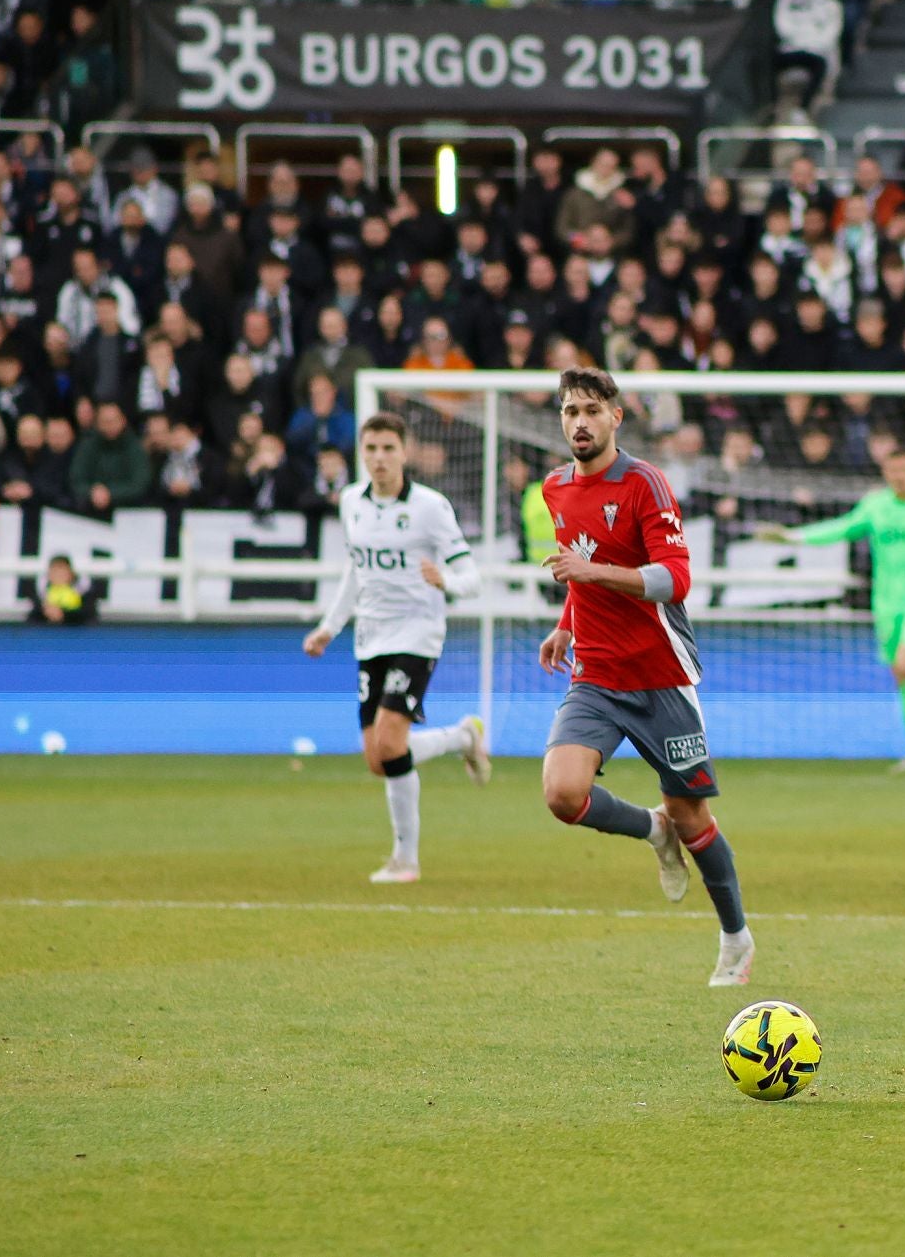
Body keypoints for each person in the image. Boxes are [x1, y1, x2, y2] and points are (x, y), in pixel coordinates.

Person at [537, 367, 755, 987]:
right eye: (570, 411)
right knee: (562, 794)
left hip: (660, 675)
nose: (580, 422)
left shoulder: (644, 483)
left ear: (616, 417)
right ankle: (652, 829)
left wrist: (593, 574)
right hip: (596, 675)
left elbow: (675, 579)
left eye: (591, 410)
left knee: (693, 817)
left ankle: (736, 939)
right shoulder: (556, 488)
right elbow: (581, 567)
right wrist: (567, 623)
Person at [303, 413, 491, 885]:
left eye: (388, 448)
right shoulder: (352, 502)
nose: (379, 458)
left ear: (405, 452)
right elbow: (355, 570)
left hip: (417, 633)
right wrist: (329, 627)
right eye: (371, 449)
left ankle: (405, 860)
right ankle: (463, 738)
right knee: (377, 759)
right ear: (361, 453)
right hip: (371, 636)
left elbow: (472, 576)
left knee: (390, 743)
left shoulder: (430, 507)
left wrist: (446, 581)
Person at [764, 450, 905, 771]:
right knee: (902, 674)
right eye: (893, 470)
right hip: (886, 603)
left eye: (904, 468)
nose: (899, 475)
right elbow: (841, 528)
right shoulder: (876, 506)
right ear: (885, 473)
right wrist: (794, 537)